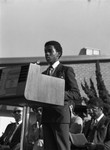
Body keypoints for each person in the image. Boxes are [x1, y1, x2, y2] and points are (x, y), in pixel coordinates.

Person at [42, 40, 81, 150]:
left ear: (58, 54)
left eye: (50, 51)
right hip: (46, 117)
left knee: (62, 147)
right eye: (45, 51)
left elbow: (76, 93)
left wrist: (56, 94)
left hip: (60, 117)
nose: (47, 54)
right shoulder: (43, 75)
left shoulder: (66, 70)